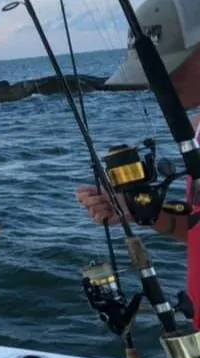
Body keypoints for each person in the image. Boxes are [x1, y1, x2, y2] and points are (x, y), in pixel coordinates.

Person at [75, 0, 200, 324]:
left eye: (169, 67)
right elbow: (194, 229)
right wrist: (141, 210)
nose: (156, 83)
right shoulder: (198, 132)